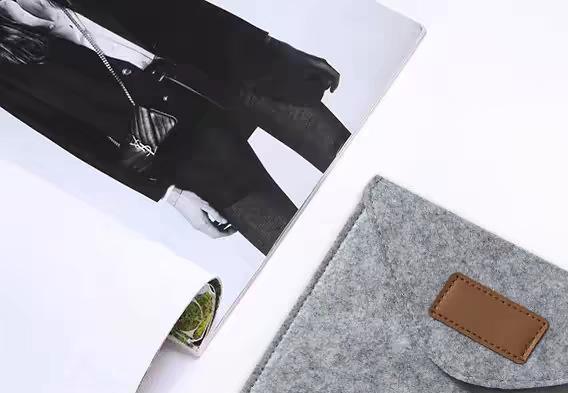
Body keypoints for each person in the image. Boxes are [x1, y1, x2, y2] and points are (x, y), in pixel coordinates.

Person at [0, 0, 350, 254]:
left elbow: (182, 8)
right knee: (302, 253)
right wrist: (169, 193)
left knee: (356, 160)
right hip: (185, 148)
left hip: (228, 69)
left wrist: (275, 50)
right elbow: (72, 136)